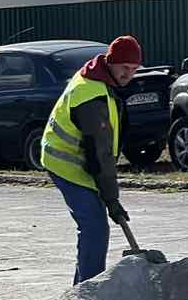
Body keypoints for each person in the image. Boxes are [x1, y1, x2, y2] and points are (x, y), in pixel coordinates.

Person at [41, 34, 142, 284]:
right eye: (124, 68)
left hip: (80, 159)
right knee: (95, 228)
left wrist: (109, 196)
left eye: (133, 70)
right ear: (111, 61)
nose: (128, 75)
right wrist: (111, 199)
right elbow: (99, 154)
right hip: (65, 162)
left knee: (95, 226)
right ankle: (88, 294)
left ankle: (81, 289)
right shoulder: (92, 96)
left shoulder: (99, 77)